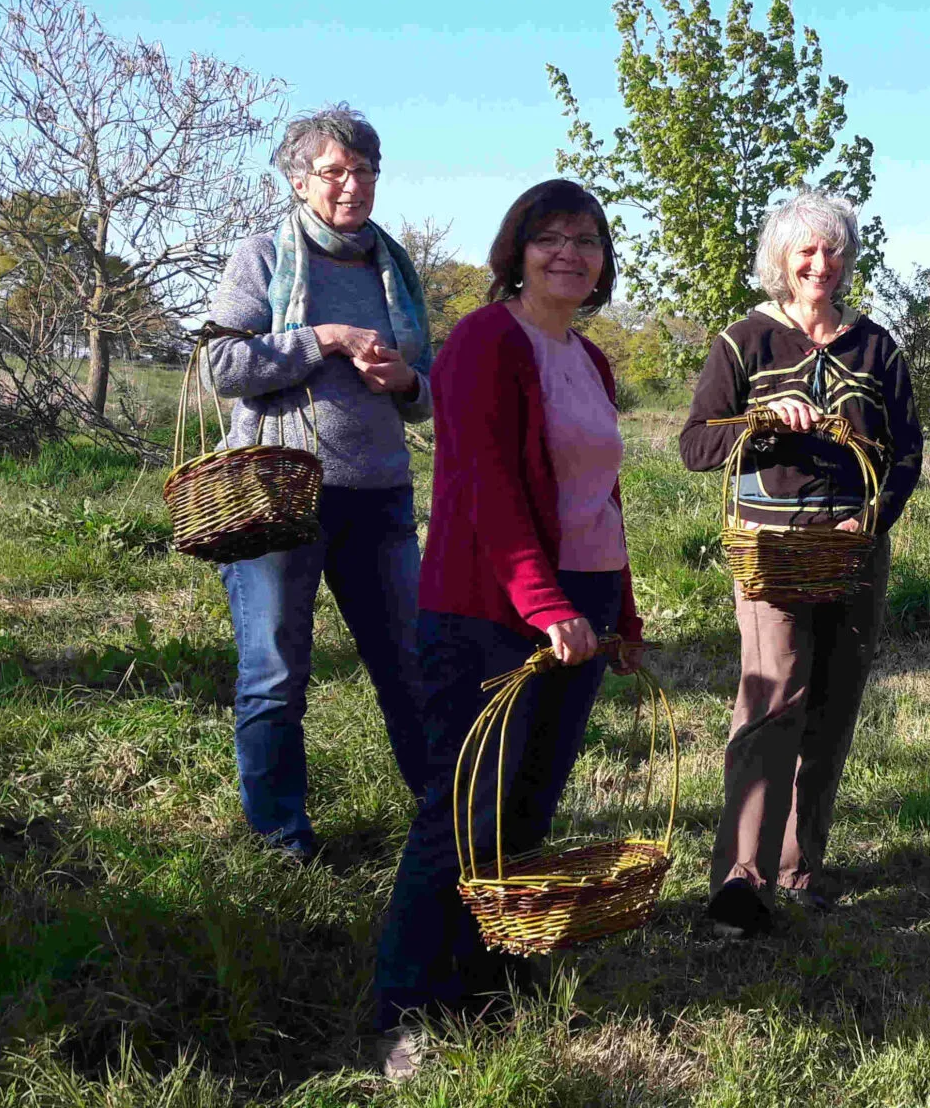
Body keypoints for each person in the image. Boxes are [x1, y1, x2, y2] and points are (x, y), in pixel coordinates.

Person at [371, 179, 646, 1078]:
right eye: (550, 237)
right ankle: (404, 1008)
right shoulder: (486, 341)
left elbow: (598, 498)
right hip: (491, 608)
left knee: (527, 808)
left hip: (581, 602)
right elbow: (487, 492)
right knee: (462, 812)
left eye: (588, 239)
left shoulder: (591, 359)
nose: (570, 252)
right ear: (517, 249)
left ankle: (488, 982)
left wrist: (621, 610)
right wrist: (545, 605)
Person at [679, 190, 924, 938]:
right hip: (771, 554)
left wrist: (871, 517)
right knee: (773, 700)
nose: (821, 264)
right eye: (806, 251)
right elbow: (696, 445)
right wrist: (758, 424)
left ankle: (801, 866)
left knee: (835, 705)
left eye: (834, 249)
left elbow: (907, 452)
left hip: (853, 550)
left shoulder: (876, 347)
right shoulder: (745, 342)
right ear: (781, 260)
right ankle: (740, 882)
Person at [202, 105, 433, 861]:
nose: (352, 185)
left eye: (365, 170)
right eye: (334, 171)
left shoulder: (393, 268)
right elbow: (223, 368)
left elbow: (427, 395)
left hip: (379, 496)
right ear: (299, 181)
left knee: (409, 663)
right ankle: (281, 837)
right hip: (278, 496)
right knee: (275, 672)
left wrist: (404, 381)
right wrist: (323, 339)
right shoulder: (263, 257)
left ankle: (443, 818)